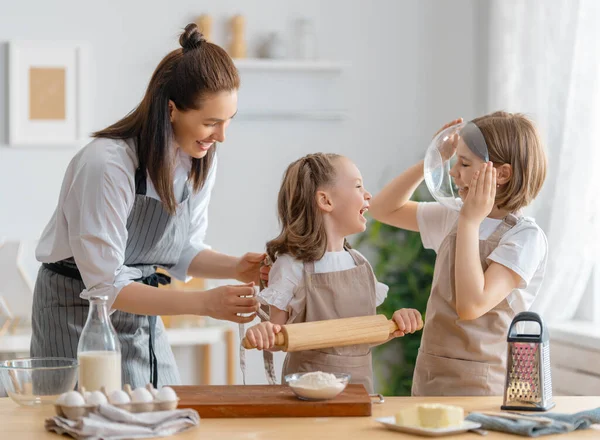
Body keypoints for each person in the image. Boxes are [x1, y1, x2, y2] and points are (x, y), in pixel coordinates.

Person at [30, 23, 267, 388]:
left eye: (228, 121)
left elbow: (181, 249)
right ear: (172, 109)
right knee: (83, 418)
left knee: (160, 412)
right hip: (77, 312)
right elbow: (107, 285)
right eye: (211, 122)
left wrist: (237, 268)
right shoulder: (106, 165)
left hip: (142, 312)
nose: (222, 136)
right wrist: (205, 303)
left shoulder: (200, 158)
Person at [369, 112, 548, 395]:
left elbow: (472, 305)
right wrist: (431, 162)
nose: (453, 172)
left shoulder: (524, 237)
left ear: (501, 174)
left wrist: (469, 222)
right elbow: (382, 209)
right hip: (431, 374)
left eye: (464, 163)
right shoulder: (454, 215)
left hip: (483, 384)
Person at [244, 153, 423, 393]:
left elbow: (361, 336)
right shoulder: (291, 266)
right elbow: (277, 338)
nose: (368, 194)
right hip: (307, 394)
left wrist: (396, 324)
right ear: (325, 200)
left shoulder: (360, 263)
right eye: (358, 186)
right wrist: (264, 332)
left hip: (361, 391)